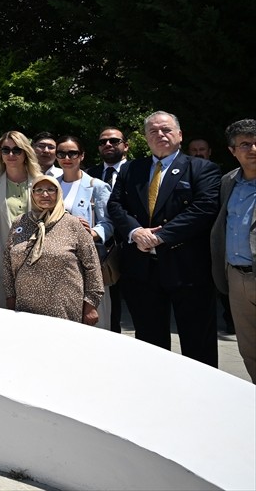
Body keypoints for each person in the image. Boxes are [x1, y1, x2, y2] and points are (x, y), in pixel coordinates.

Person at [108, 111, 221, 366]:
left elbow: (203, 209)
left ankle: (202, 399)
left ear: (180, 135)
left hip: (188, 271)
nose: (160, 134)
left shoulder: (202, 168)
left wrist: (160, 237)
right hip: (142, 271)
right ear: (145, 139)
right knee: (150, 345)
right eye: (153, 131)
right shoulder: (131, 169)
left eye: (166, 129)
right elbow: (116, 206)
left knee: (198, 344)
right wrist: (136, 232)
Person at [2, 176, 104, 324]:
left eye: (50, 190)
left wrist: (90, 305)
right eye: (39, 190)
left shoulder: (73, 224)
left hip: (64, 308)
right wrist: (10, 297)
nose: (45, 194)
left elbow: (92, 266)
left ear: (58, 193)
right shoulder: (20, 222)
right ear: (32, 194)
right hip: (25, 308)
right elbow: (7, 263)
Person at [211, 119, 256, 381]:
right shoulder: (228, 182)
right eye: (245, 144)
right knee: (248, 349)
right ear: (232, 151)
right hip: (236, 277)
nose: (252, 149)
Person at [55, 134, 114, 328]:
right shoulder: (51, 185)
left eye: (72, 153)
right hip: (57, 260)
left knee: (94, 318)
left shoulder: (96, 186)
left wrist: (92, 233)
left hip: (87, 261)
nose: (67, 158)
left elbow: (108, 223)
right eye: (61, 153)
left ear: (81, 156)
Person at [0, 132, 42, 307]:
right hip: (3, 258)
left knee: (37, 310)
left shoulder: (40, 181)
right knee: (7, 309)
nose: (11, 155)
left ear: (26, 153)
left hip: (37, 256)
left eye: (17, 150)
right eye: (5, 150)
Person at [88, 126, 130, 332]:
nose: (108, 144)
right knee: (107, 309)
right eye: (103, 141)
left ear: (126, 146)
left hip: (133, 249)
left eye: (114, 141)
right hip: (100, 252)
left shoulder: (138, 172)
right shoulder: (89, 175)